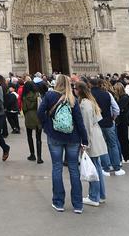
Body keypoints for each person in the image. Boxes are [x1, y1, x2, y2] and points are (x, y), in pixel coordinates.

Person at [37, 75, 88, 214]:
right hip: (73, 138)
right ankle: (78, 205)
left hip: (55, 136)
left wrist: (47, 127)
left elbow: (40, 113)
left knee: (57, 167)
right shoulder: (73, 99)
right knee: (73, 170)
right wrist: (85, 140)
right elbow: (79, 121)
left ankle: (58, 202)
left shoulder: (49, 96)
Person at [76, 81, 108, 206]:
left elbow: (86, 125)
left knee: (92, 168)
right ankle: (101, 194)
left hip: (91, 137)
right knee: (97, 166)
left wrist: (85, 143)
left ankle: (94, 196)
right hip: (96, 134)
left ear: (80, 90)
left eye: (76, 88)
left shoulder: (84, 104)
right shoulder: (91, 101)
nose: (74, 90)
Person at [92, 80, 123, 175]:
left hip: (96, 123)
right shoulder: (107, 94)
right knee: (113, 144)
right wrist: (113, 118)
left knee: (102, 145)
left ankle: (105, 168)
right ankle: (117, 167)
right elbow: (116, 109)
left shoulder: (89, 96)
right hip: (108, 122)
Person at [21, 80, 44, 164]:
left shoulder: (25, 96)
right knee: (38, 138)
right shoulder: (38, 95)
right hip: (38, 117)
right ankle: (39, 157)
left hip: (29, 117)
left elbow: (24, 108)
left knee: (29, 136)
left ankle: (32, 154)